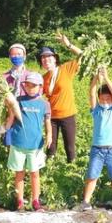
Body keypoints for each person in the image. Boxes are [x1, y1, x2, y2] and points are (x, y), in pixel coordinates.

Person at [80, 67, 112, 211]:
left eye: (107, 98)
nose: (105, 100)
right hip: (97, 149)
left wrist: (107, 78)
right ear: (99, 100)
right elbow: (91, 92)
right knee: (92, 176)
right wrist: (97, 78)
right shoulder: (96, 110)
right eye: (102, 99)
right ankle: (85, 201)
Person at [7, 72, 52, 211]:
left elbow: (47, 121)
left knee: (35, 173)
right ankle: (19, 200)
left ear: (40, 87)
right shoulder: (18, 100)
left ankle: (35, 200)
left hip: (35, 144)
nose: (30, 88)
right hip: (18, 142)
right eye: (27, 85)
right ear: (24, 86)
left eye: (33, 86)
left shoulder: (44, 104)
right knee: (19, 172)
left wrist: (49, 135)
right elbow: (11, 117)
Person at [39, 33, 82, 163]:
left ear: (55, 58)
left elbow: (83, 56)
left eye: (49, 57)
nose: (46, 60)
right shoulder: (43, 78)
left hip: (67, 115)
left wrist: (68, 45)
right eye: (43, 58)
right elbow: (36, 95)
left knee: (70, 147)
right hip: (51, 117)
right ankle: (49, 170)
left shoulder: (66, 69)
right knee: (50, 146)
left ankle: (71, 170)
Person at [2, 43, 29, 146]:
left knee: (25, 141)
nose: (16, 56)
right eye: (13, 54)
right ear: (9, 57)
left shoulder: (30, 75)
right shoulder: (4, 77)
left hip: (26, 115)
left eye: (19, 54)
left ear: (24, 56)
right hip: (9, 116)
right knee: (10, 142)